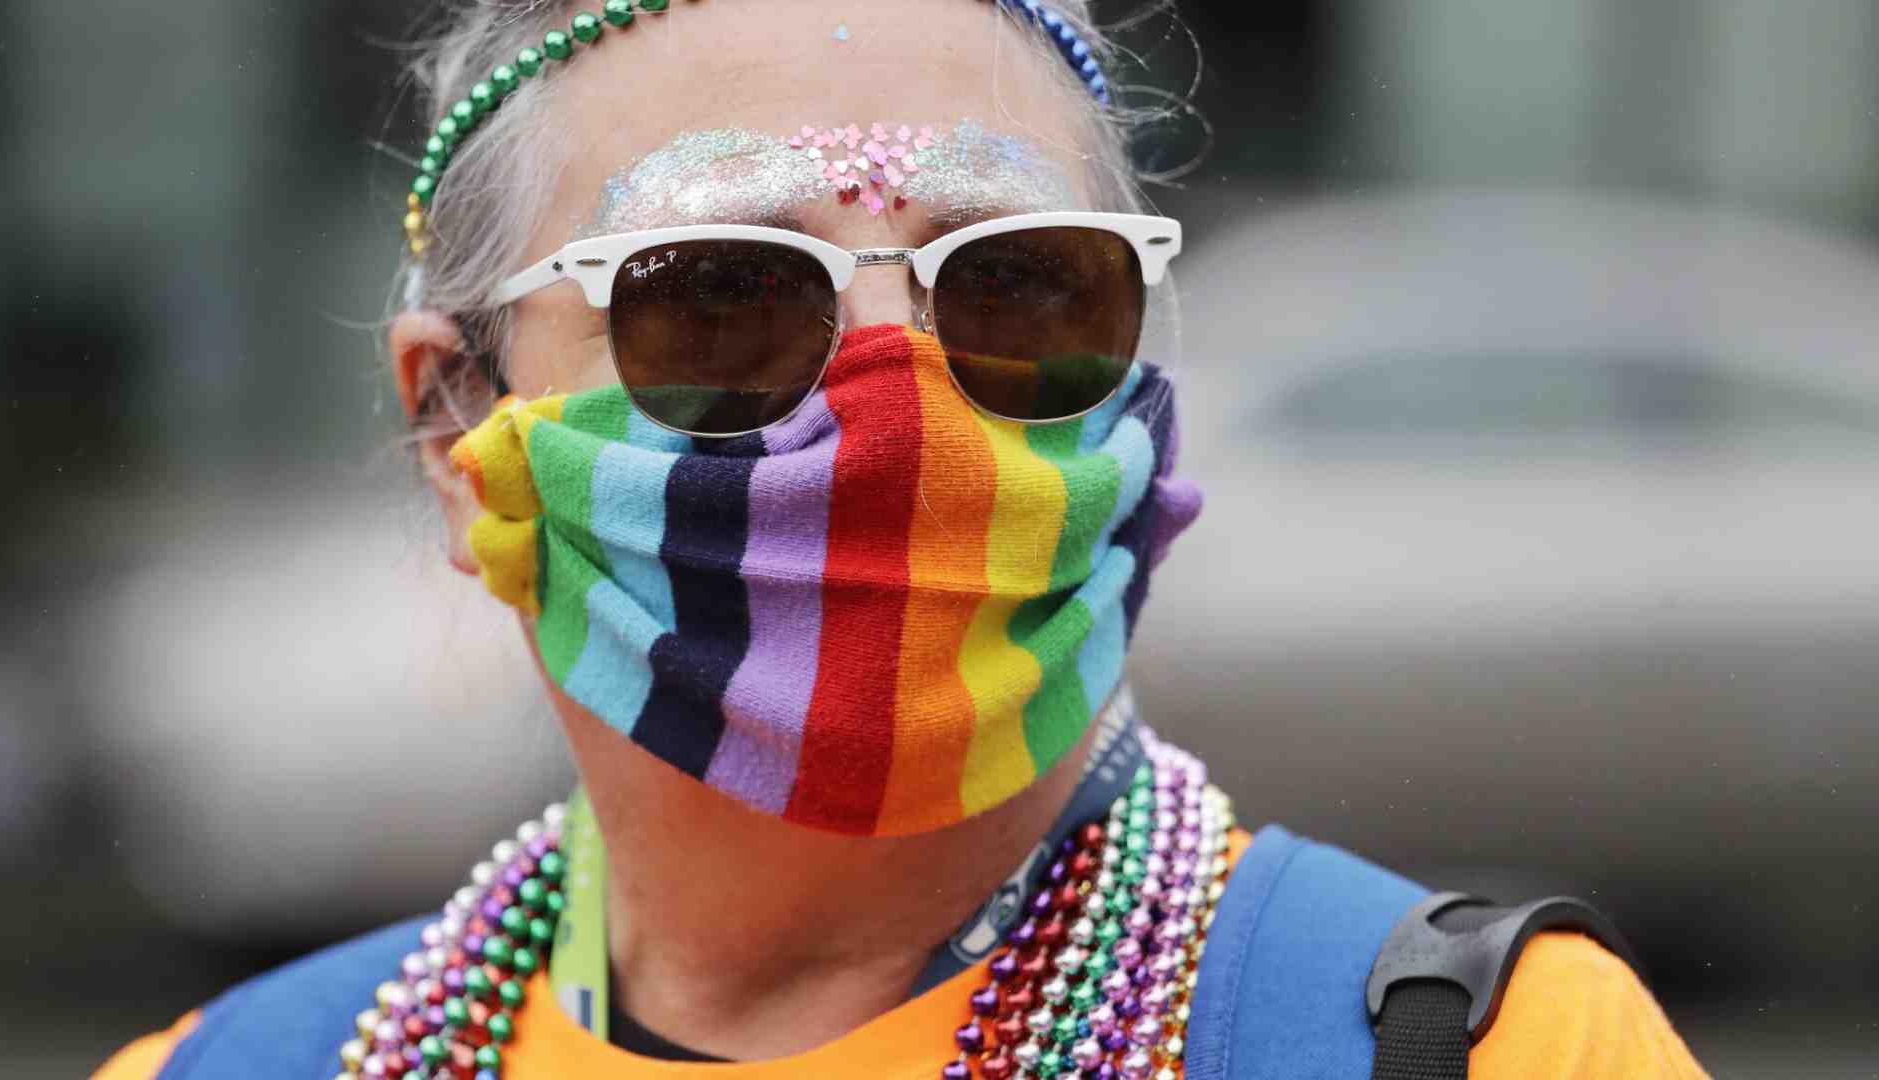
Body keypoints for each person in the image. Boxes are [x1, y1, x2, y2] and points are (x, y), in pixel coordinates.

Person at [96, 1, 1711, 1077]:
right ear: (462, 424)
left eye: (1020, 287)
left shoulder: (1488, 1052)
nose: (899, 407)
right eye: (718, 296)